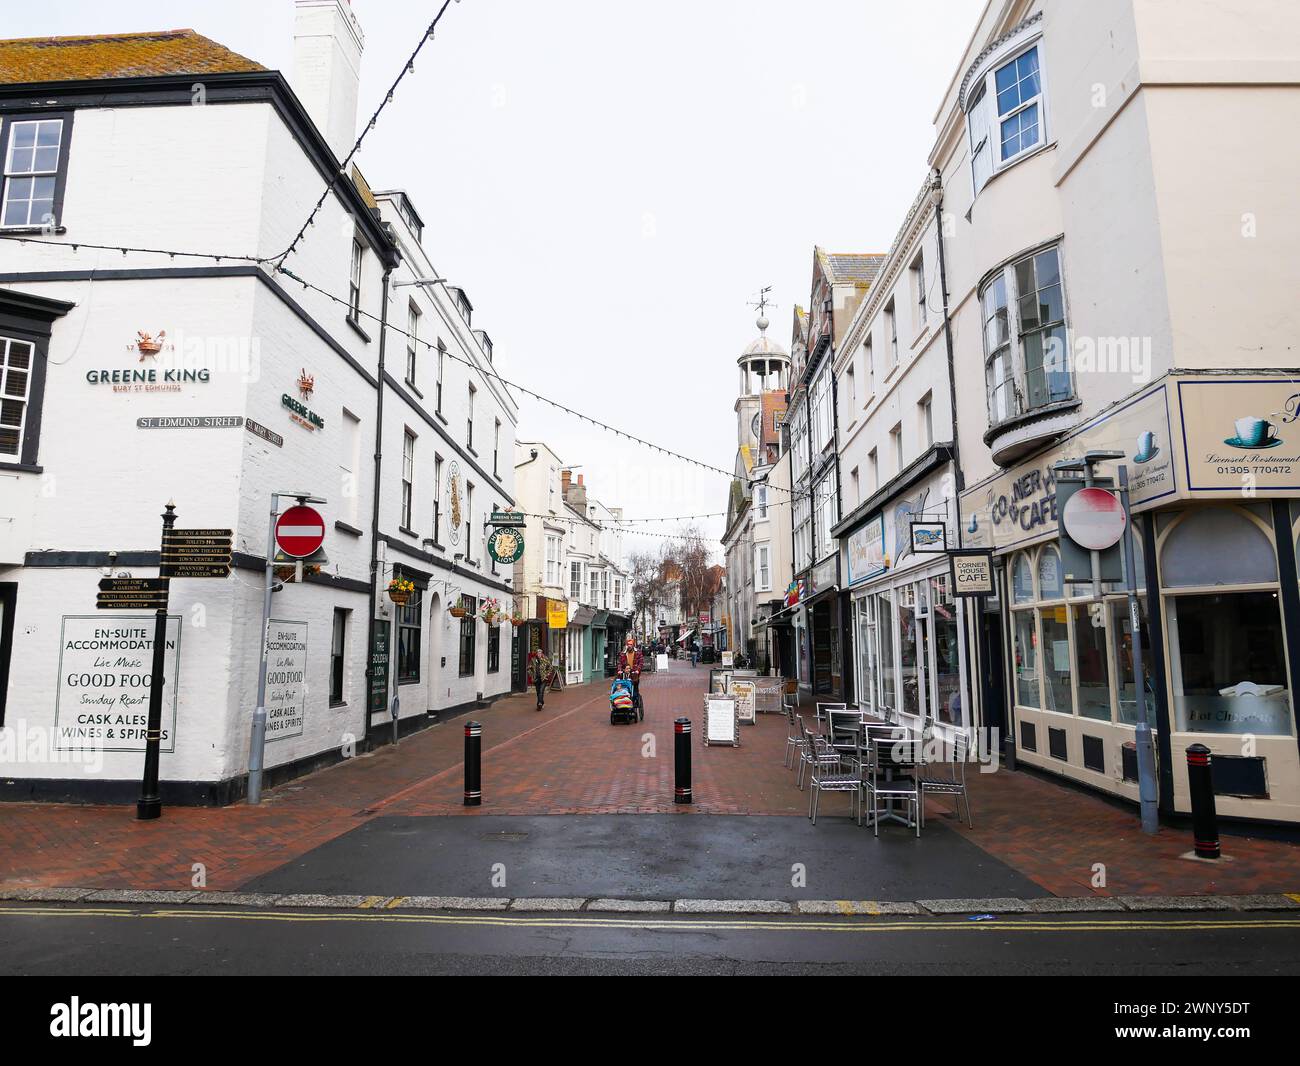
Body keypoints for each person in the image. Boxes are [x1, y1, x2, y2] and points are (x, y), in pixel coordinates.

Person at [616, 636, 644, 715]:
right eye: (628, 644)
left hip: (634, 673)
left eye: (631, 644)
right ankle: (623, 701)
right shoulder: (623, 653)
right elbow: (619, 663)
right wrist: (619, 670)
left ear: (633, 645)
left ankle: (634, 701)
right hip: (625, 672)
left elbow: (641, 662)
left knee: (634, 688)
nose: (629, 646)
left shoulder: (638, 652)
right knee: (623, 686)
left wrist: (638, 670)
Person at [527, 646, 552, 711]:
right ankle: (542, 702)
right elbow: (529, 668)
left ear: (542, 653)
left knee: (541, 691)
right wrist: (532, 675)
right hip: (536, 678)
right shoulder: (533, 660)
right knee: (538, 692)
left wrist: (547, 675)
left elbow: (550, 668)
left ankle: (539, 704)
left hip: (544, 678)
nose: (539, 654)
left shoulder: (545, 659)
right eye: (538, 653)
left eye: (540, 653)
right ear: (536, 654)